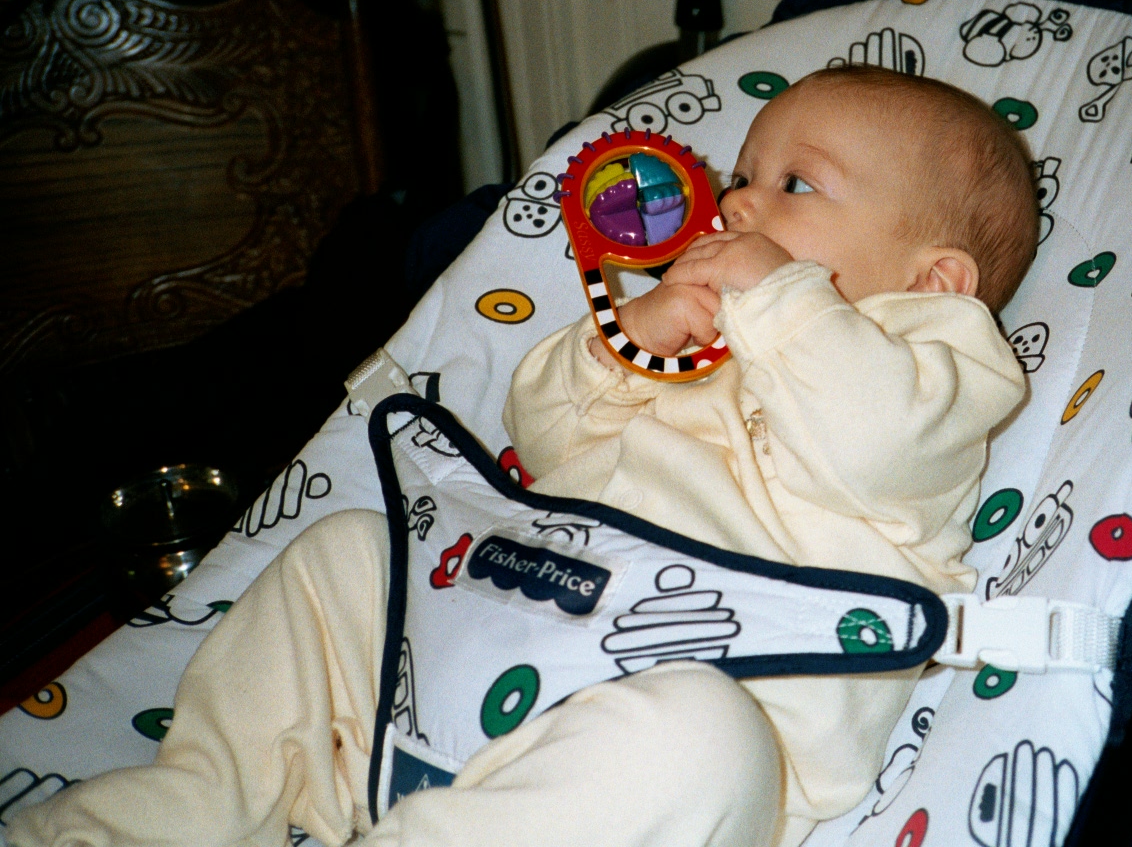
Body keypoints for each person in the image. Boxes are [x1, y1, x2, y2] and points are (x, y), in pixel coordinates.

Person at [9, 66, 1038, 847]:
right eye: (741, 178)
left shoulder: (936, 360)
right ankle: (178, 807)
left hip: (690, 695)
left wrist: (780, 297)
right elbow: (546, 443)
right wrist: (622, 343)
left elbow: (878, 442)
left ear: (934, 277)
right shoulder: (695, 332)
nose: (737, 206)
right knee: (346, 556)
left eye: (796, 184)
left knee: (699, 741)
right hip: (487, 631)